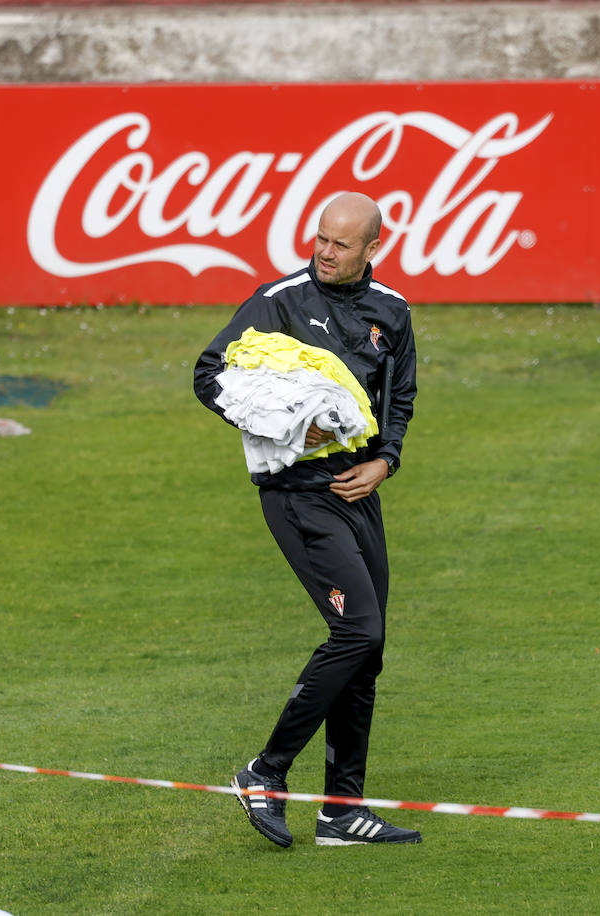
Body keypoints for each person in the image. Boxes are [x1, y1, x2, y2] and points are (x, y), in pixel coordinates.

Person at [193, 192, 420, 847]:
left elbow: (399, 397)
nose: (324, 251)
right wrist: (285, 422)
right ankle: (265, 772)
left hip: (358, 493)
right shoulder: (278, 301)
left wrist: (387, 462)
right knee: (356, 631)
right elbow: (210, 375)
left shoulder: (394, 313)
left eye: (340, 243)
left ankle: (342, 812)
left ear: (372, 248)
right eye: (320, 237)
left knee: (367, 650)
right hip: (295, 493)